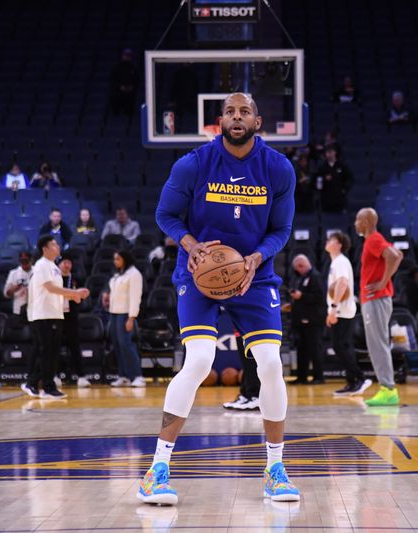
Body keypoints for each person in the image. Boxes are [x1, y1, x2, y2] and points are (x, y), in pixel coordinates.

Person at [143, 92, 298, 505]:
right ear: (220, 120)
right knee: (197, 361)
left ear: (257, 121)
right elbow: (165, 215)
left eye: (244, 110)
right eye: (229, 111)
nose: (236, 116)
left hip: (254, 275)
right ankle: (157, 469)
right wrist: (192, 246)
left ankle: (275, 469)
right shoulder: (193, 163)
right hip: (199, 275)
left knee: (269, 364)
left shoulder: (278, 169)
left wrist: (256, 258)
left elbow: (281, 230)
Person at [21, 236, 90, 400]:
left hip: (55, 313)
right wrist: (74, 293)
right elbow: (50, 288)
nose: (57, 246)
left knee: (51, 352)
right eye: (53, 244)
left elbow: (57, 290)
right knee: (47, 352)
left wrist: (74, 296)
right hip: (43, 315)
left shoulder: (53, 267)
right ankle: (43, 386)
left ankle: (38, 384)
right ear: (45, 249)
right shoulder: (42, 265)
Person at [355, 208, 403, 406]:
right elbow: (398, 255)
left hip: (376, 299)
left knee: (378, 345)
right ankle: (387, 387)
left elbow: (393, 256)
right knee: (378, 343)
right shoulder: (374, 239)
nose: (356, 223)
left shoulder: (373, 239)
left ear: (366, 221)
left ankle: (388, 389)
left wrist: (383, 282)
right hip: (375, 299)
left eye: (358, 219)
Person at [325, 231, 368, 396]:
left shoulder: (340, 261)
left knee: (340, 346)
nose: (328, 241)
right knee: (342, 346)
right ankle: (352, 381)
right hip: (340, 310)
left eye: (332, 240)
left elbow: (342, 283)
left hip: (342, 310)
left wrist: (334, 308)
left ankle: (359, 378)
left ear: (339, 245)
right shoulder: (336, 262)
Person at [108, 249, 145, 388]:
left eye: (118, 258)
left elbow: (136, 297)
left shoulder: (134, 274)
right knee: (117, 345)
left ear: (125, 259)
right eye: (114, 259)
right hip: (114, 313)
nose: (115, 261)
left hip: (125, 314)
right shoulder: (118, 275)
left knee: (126, 345)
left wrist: (131, 318)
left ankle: (137, 376)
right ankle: (123, 376)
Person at [289, 254, 326, 385]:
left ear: (301, 265)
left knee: (315, 349)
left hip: (313, 321)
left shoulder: (315, 277)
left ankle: (319, 376)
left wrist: (302, 295)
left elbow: (320, 297)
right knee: (301, 349)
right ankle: (302, 377)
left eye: (297, 268)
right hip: (301, 321)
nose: (297, 271)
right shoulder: (301, 278)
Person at [59, 256, 90, 388]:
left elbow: (81, 297)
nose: (67, 265)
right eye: (64, 262)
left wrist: (79, 295)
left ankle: (81, 376)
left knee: (75, 347)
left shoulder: (77, 279)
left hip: (72, 317)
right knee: (55, 347)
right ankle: (55, 375)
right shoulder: (54, 279)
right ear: (59, 265)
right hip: (58, 316)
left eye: (69, 262)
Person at [222, 335, 260, 410]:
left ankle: (255, 396)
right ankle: (246, 395)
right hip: (240, 329)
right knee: (245, 363)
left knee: (250, 360)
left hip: (249, 329)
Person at [316, 144, 353, 213]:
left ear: (335, 152)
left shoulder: (342, 166)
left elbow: (350, 179)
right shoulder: (322, 168)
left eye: (330, 152)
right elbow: (318, 182)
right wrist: (324, 179)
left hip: (339, 199)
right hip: (326, 200)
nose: (328, 154)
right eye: (327, 152)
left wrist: (344, 189)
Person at [4, 251, 33, 322]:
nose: (24, 264)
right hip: (18, 309)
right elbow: (6, 294)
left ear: (31, 260)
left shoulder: (37, 271)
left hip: (35, 309)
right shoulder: (13, 273)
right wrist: (15, 288)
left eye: (26, 261)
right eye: (22, 261)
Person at [109, 48, 138, 119]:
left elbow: (137, 80)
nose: (127, 57)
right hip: (118, 94)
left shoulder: (133, 67)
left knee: (129, 110)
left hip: (130, 94)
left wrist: (132, 87)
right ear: (123, 56)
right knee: (116, 108)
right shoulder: (117, 67)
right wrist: (120, 87)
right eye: (126, 55)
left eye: (129, 56)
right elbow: (113, 79)